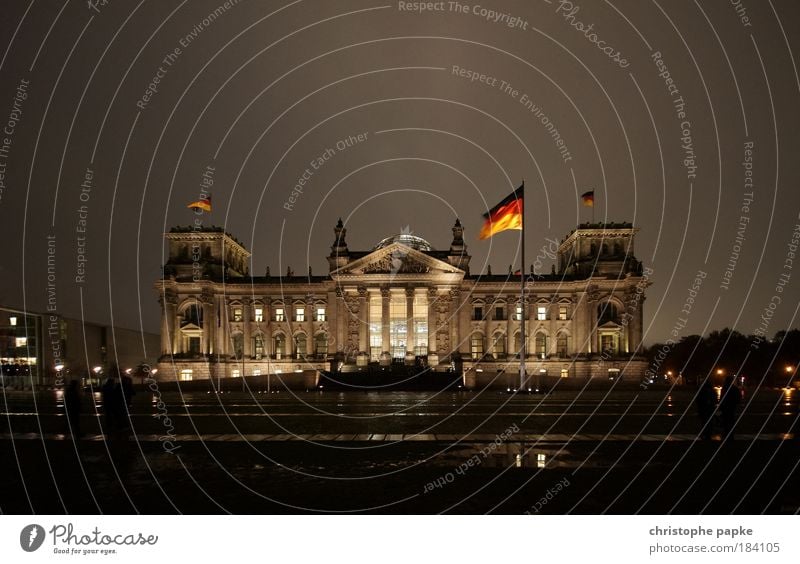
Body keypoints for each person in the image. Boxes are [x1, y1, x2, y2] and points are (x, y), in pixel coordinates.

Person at [720, 375, 741, 440]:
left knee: (726, 421)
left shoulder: (725, 388)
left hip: (726, 407)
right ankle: (730, 433)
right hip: (732, 406)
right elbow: (738, 398)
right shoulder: (734, 388)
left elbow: (722, 398)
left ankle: (726, 433)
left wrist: (721, 405)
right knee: (731, 420)